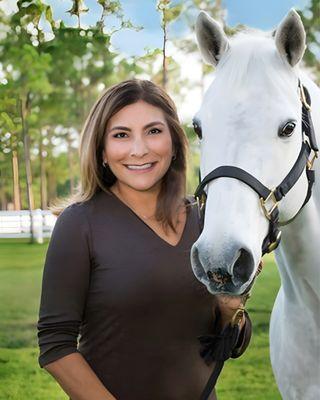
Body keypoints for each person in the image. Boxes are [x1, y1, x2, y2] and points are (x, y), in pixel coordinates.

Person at [37, 79, 252, 400]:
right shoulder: (80, 223)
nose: (139, 149)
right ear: (102, 150)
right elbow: (55, 345)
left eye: (153, 131)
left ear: (175, 142)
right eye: (121, 135)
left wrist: (231, 307)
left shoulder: (205, 221)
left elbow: (226, 343)